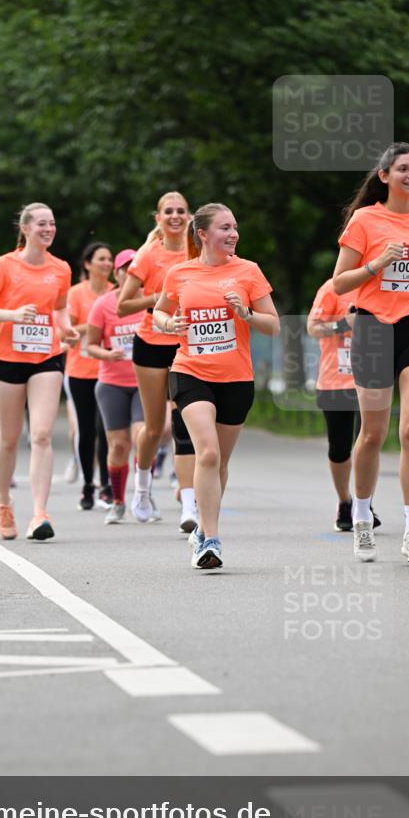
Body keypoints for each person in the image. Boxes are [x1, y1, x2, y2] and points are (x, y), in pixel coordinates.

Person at [333, 142, 409, 564]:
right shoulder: (365, 220)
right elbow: (341, 283)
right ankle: (361, 516)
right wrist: (377, 264)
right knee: (374, 433)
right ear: (384, 177)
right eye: (403, 169)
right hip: (373, 328)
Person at [154, 202, 280, 568]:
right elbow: (160, 310)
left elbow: (273, 325)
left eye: (235, 227)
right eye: (225, 228)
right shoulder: (180, 274)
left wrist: (246, 313)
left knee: (220, 461)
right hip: (190, 371)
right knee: (207, 453)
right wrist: (166, 325)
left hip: (236, 379)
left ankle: (203, 529)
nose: (234, 234)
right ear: (204, 234)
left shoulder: (249, 271)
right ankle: (210, 539)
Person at [0, 202, 79, 541]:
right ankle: (4, 502)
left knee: (42, 435)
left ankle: (39, 514)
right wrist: (13, 315)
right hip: (5, 358)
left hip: (46, 357)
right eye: (42, 224)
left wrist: (67, 329)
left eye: (52, 223)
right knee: (9, 438)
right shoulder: (4, 265)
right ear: (26, 228)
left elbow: (59, 310)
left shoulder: (61, 268)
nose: (49, 229)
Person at [117, 191, 197, 531]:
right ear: (158, 219)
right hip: (151, 345)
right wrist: (159, 298)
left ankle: (189, 505)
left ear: (190, 216)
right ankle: (143, 487)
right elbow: (123, 305)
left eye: (181, 210)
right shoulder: (149, 254)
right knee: (153, 428)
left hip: (188, 344)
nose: (175, 216)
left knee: (184, 424)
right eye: (169, 211)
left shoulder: (199, 250)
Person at [307, 282, 381, 531]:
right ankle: (344, 501)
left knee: (369, 440)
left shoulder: (379, 286)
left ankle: (364, 504)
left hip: (370, 377)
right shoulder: (331, 289)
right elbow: (312, 328)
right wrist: (343, 324)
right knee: (340, 448)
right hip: (335, 381)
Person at [87, 248, 144, 523]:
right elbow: (90, 346)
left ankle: (143, 494)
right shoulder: (103, 305)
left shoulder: (150, 302)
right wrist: (107, 354)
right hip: (111, 383)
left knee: (143, 437)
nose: (131, 273)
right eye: (125, 269)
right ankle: (118, 500)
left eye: (136, 269)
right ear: (117, 273)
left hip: (145, 382)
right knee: (119, 445)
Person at [65, 242, 113, 510]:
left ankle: (106, 484)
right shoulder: (76, 294)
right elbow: (68, 331)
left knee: (105, 429)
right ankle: (87, 484)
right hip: (80, 370)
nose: (107, 264)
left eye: (109, 259)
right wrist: (95, 324)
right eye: (101, 259)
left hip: (109, 371)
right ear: (88, 264)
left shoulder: (116, 293)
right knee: (86, 429)